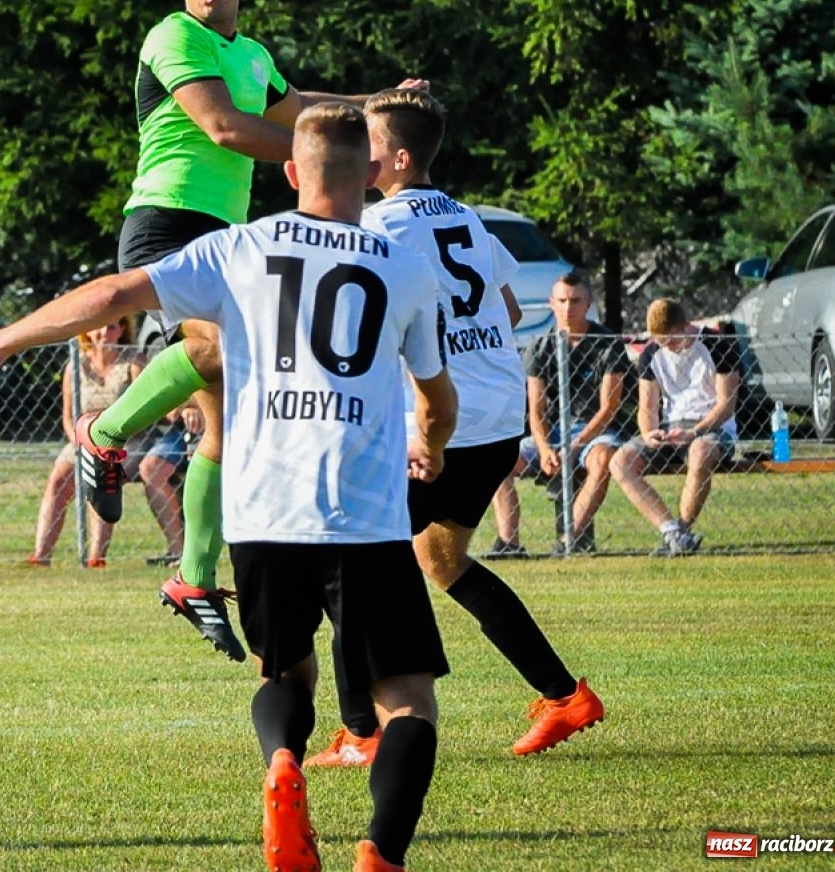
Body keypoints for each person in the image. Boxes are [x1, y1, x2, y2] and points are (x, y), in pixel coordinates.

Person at [0, 103, 457, 872]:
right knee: (408, 699)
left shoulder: (240, 248)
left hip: (261, 512)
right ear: (373, 173)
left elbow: (112, 295)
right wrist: (432, 444)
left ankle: (282, 760)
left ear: (288, 173)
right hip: (364, 515)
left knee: (285, 673)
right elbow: (438, 401)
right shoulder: (404, 266)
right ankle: (380, 852)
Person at [70, 0, 420, 660]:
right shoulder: (173, 37)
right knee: (223, 351)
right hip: (167, 221)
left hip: (222, 235)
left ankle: (193, 575)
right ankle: (103, 432)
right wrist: (345, 162)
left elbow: (298, 110)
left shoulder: (252, 54)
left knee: (225, 420)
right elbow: (227, 128)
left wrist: (374, 103)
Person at [306, 90, 604, 773]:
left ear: (399, 157)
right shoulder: (472, 220)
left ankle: (361, 732)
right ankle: (564, 695)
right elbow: (498, 304)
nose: (360, 150)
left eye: (370, 141)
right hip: (495, 421)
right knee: (440, 560)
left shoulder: (378, 224)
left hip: (440, 425)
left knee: (344, 560)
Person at [25, 318, 185, 568]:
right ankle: (41, 555)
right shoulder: (76, 365)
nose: (103, 332)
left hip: (128, 439)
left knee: (100, 472)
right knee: (58, 479)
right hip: (83, 438)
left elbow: (154, 401)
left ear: (121, 330)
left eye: (111, 326)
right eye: (99, 325)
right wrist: (79, 442)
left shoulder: (133, 362)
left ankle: (96, 557)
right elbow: (68, 415)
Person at [490, 272, 628, 555]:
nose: (568, 308)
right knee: (497, 460)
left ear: (588, 303)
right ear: (551, 303)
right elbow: (537, 409)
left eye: (576, 301)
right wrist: (543, 449)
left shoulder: (607, 343)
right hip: (551, 435)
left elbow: (608, 408)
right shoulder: (540, 346)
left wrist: (574, 447)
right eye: (562, 300)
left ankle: (568, 541)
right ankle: (509, 543)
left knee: (603, 459)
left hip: (594, 434)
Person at [609, 298, 737, 555]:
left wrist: (695, 431)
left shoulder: (717, 345)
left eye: (673, 340)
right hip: (670, 426)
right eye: (662, 342)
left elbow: (726, 404)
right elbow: (647, 407)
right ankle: (671, 532)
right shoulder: (651, 353)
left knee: (700, 452)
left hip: (710, 428)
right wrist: (649, 433)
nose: (670, 347)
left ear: (686, 326)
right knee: (620, 462)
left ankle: (683, 528)